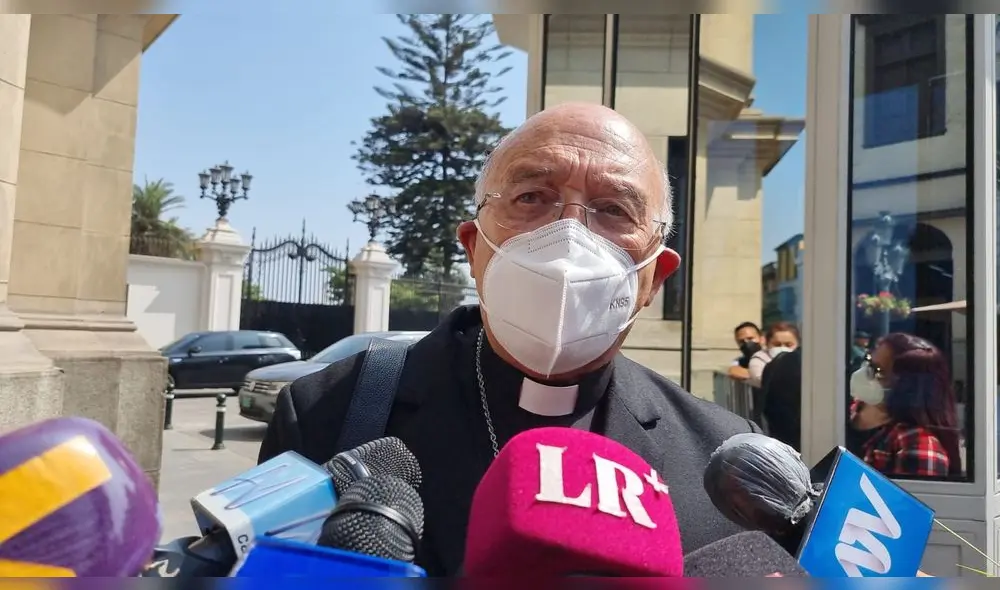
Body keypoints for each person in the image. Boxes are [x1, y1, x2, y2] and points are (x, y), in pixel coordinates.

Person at [257, 102, 762, 576]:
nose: (569, 237)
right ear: (475, 249)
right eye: (531, 197)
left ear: (655, 277)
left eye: (613, 209)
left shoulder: (720, 461)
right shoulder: (328, 413)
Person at [849, 332, 962, 479]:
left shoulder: (917, 443)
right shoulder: (846, 410)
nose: (864, 373)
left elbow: (909, 500)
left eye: (878, 370)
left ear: (906, 386)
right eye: (868, 362)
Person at [746, 321, 799, 389]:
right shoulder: (759, 358)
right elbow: (761, 380)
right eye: (777, 344)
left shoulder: (803, 359)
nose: (783, 348)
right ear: (767, 344)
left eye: (788, 345)